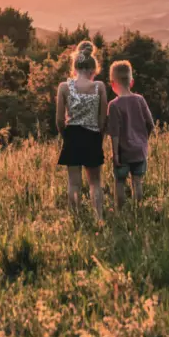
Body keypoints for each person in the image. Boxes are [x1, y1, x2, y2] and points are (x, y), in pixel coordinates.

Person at [56, 40, 108, 221]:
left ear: (74, 67)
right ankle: (99, 217)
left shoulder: (63, 87)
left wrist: (66, 137)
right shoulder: (99, 87)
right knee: (95, 182)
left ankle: (75, 218)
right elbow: (103, 119)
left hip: (72, 136)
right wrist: (99, 137)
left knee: (74, 183)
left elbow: (59, 121)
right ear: (94, 69)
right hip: (93, 135)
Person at [106, 60, 155, 209]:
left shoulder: (114, 105)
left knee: (119, 182)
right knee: (137, 181)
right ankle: (137, 210)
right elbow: (151, 124)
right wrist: (143, 140)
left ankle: (120, 212)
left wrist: (115, 154)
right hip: (139, 150)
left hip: (122, 151)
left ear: (112, 83)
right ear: (131, 82)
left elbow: (114, 133)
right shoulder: (140, 100)